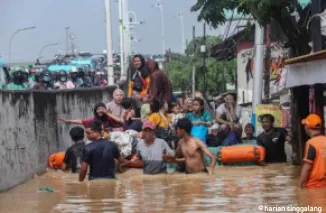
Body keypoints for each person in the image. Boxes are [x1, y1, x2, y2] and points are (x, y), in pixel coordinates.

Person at [299, 114, 326, 188]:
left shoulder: (311, 143)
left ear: (307, 127)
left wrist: (300, 185)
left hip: (314, 185)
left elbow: (307, 167)